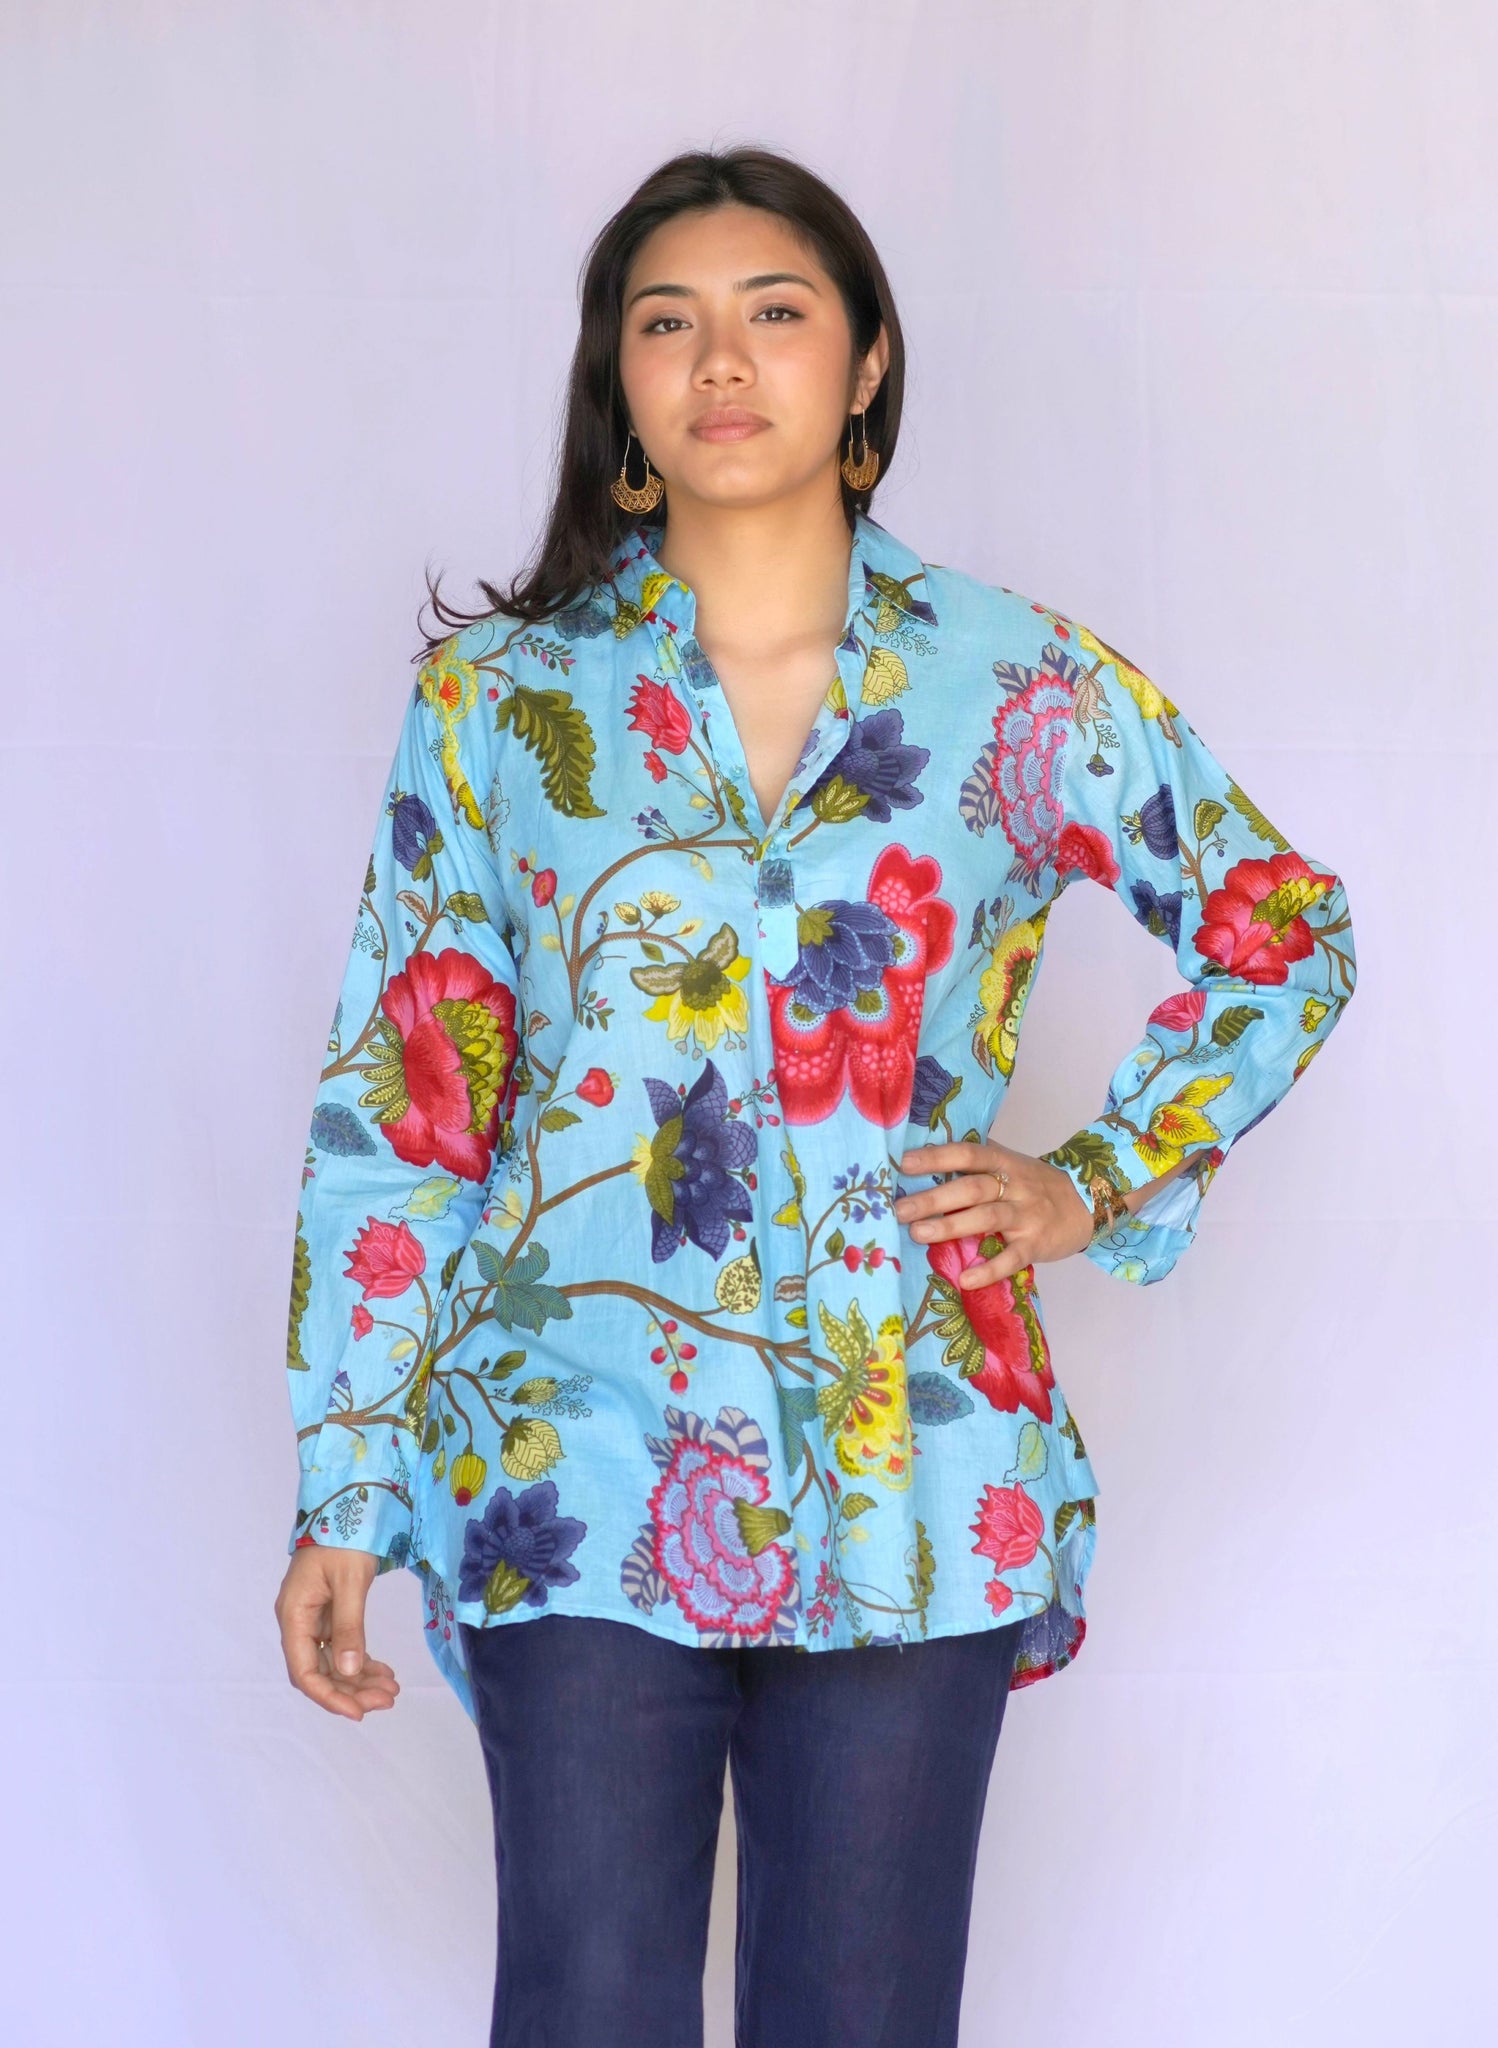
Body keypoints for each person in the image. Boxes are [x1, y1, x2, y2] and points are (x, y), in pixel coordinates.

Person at [273, 146, 1356, 2048]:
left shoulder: (1014, 682)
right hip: (570, 1458)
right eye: (665, 322)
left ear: (864, 365)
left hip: (910, 1459)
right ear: (617, 381)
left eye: (774, 313)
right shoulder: (498, 702)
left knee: (860, 2017)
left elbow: (1283, 931)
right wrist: (344, 1486)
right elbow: (407, 1108)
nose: (721, 361)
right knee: (586, 2006)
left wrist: (1092, 1179)